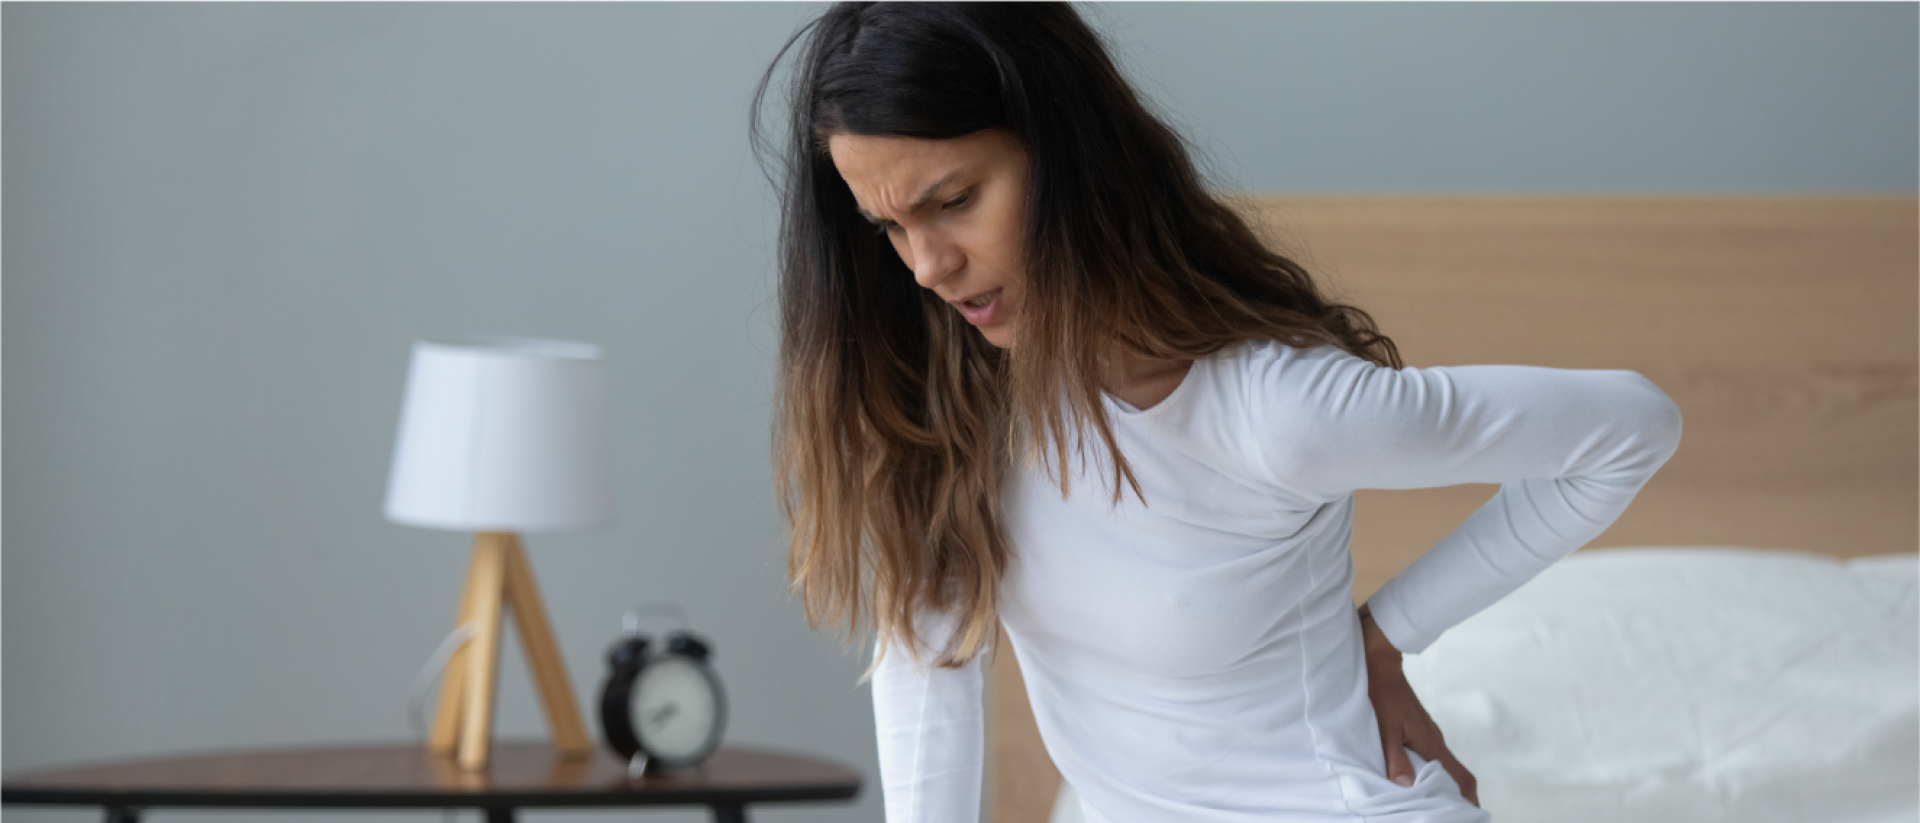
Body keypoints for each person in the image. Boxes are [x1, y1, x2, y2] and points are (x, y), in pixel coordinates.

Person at [751, 1, 1683, 821]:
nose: (926, 266)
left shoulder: (1278, 409)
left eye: (952, 201)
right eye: (890, 228)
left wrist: (1388, 632)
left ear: (1069, 152)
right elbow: (929, 667)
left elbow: (1633, 427)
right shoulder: (960, 399)